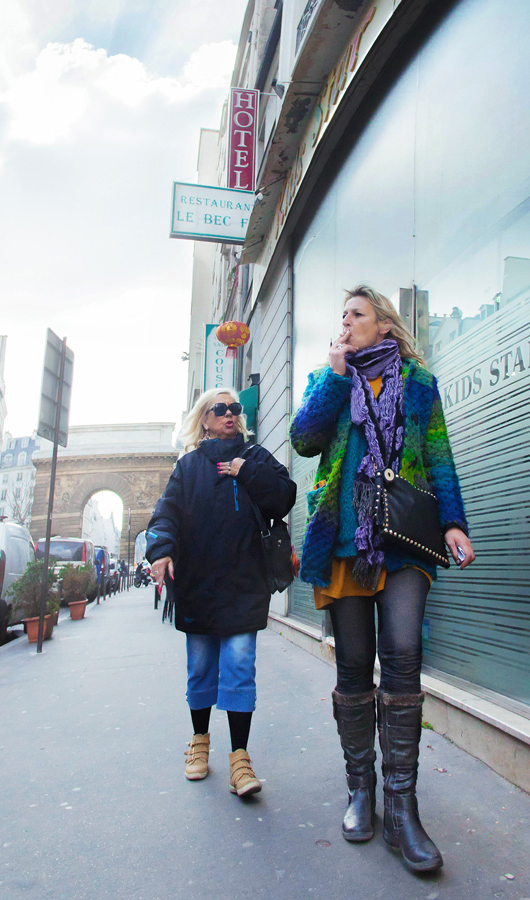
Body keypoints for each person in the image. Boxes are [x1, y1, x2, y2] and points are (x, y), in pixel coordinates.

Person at [290, 285, 474, 874]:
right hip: (345, 539)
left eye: (356, 314)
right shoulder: (331, 382)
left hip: (405, 541)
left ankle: (402, 806)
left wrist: (452, 522)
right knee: (353, 665)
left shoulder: (419, 385)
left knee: (402, 651)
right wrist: (336, 377)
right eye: (341, 314)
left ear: (384, 326)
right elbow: (304, 439)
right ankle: (361, 791)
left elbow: (439, 456)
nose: (345, 322)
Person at [147, 387, 296, 797]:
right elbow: (166, 512)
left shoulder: (256, 456)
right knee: (201, 667)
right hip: (198, 583)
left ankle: (240, 760)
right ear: (204, 419)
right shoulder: (189, 466)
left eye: (235, 409)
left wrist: (243, 470)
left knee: (239, 665)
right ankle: (198, 742)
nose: (230, 414)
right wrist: (160, 551)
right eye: (221, 409)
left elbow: (285, 496)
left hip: (246, 583)